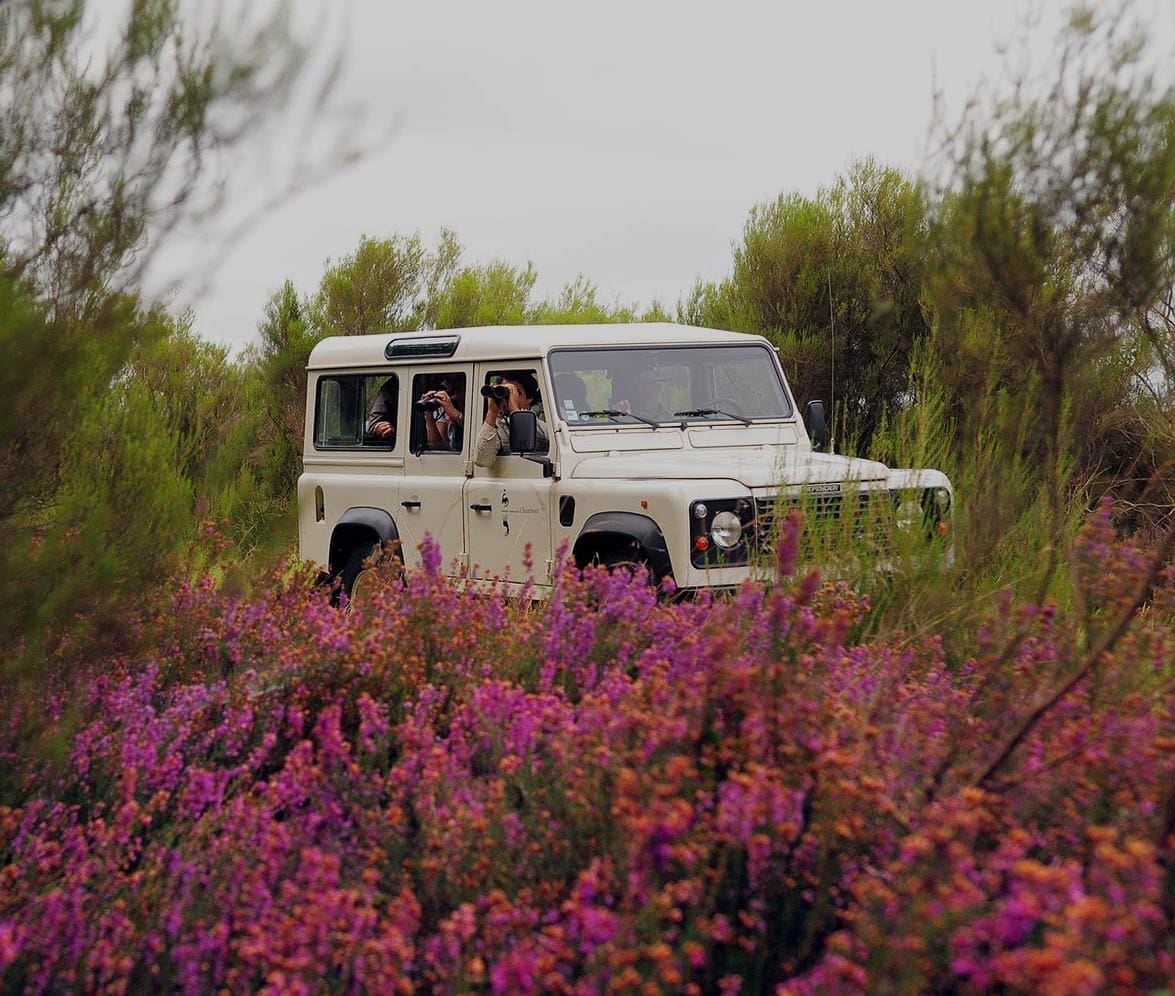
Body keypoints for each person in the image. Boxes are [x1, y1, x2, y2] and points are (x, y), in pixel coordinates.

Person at [475, 371, 548, 467]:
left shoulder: (546, 413)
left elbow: (553, 438)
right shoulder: (499, 423)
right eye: (505, 392)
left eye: (514, 392)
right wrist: (492, 412)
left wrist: (516, 412)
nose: (507, 398)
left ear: (529, 397)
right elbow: (482, 461)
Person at [421, 374, 465, 451]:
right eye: (449, 380)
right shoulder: (446, 408)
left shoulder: (481, 407)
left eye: (458, 379)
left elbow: (477, 433)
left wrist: (455, 413)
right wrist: (429, 415)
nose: (452, 385)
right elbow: (436, 446)